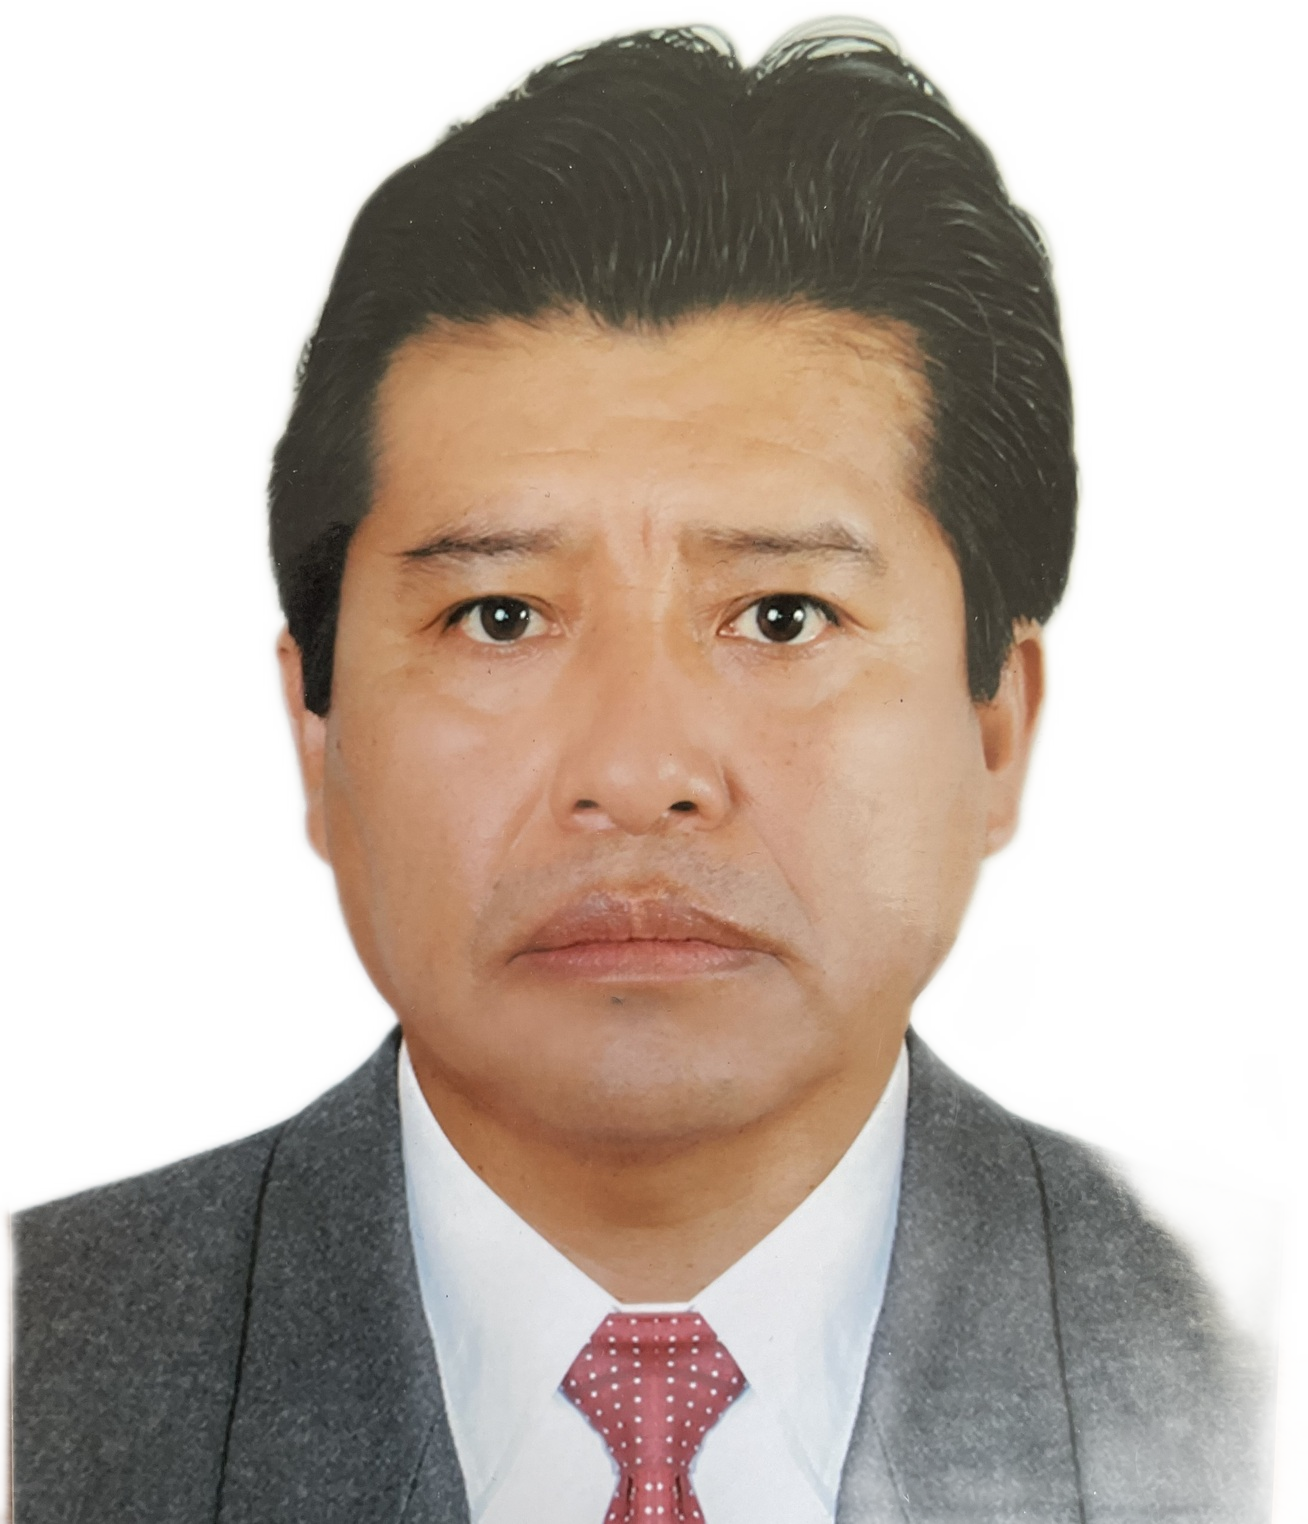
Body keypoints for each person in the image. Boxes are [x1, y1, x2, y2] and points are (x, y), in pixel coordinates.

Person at [12, 25, 1281, 1524]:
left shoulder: (1254, 1364)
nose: (637, 772)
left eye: (782, 616)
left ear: (996, 727)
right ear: (317, 728)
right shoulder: (45, 1365)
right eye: (500, 617)